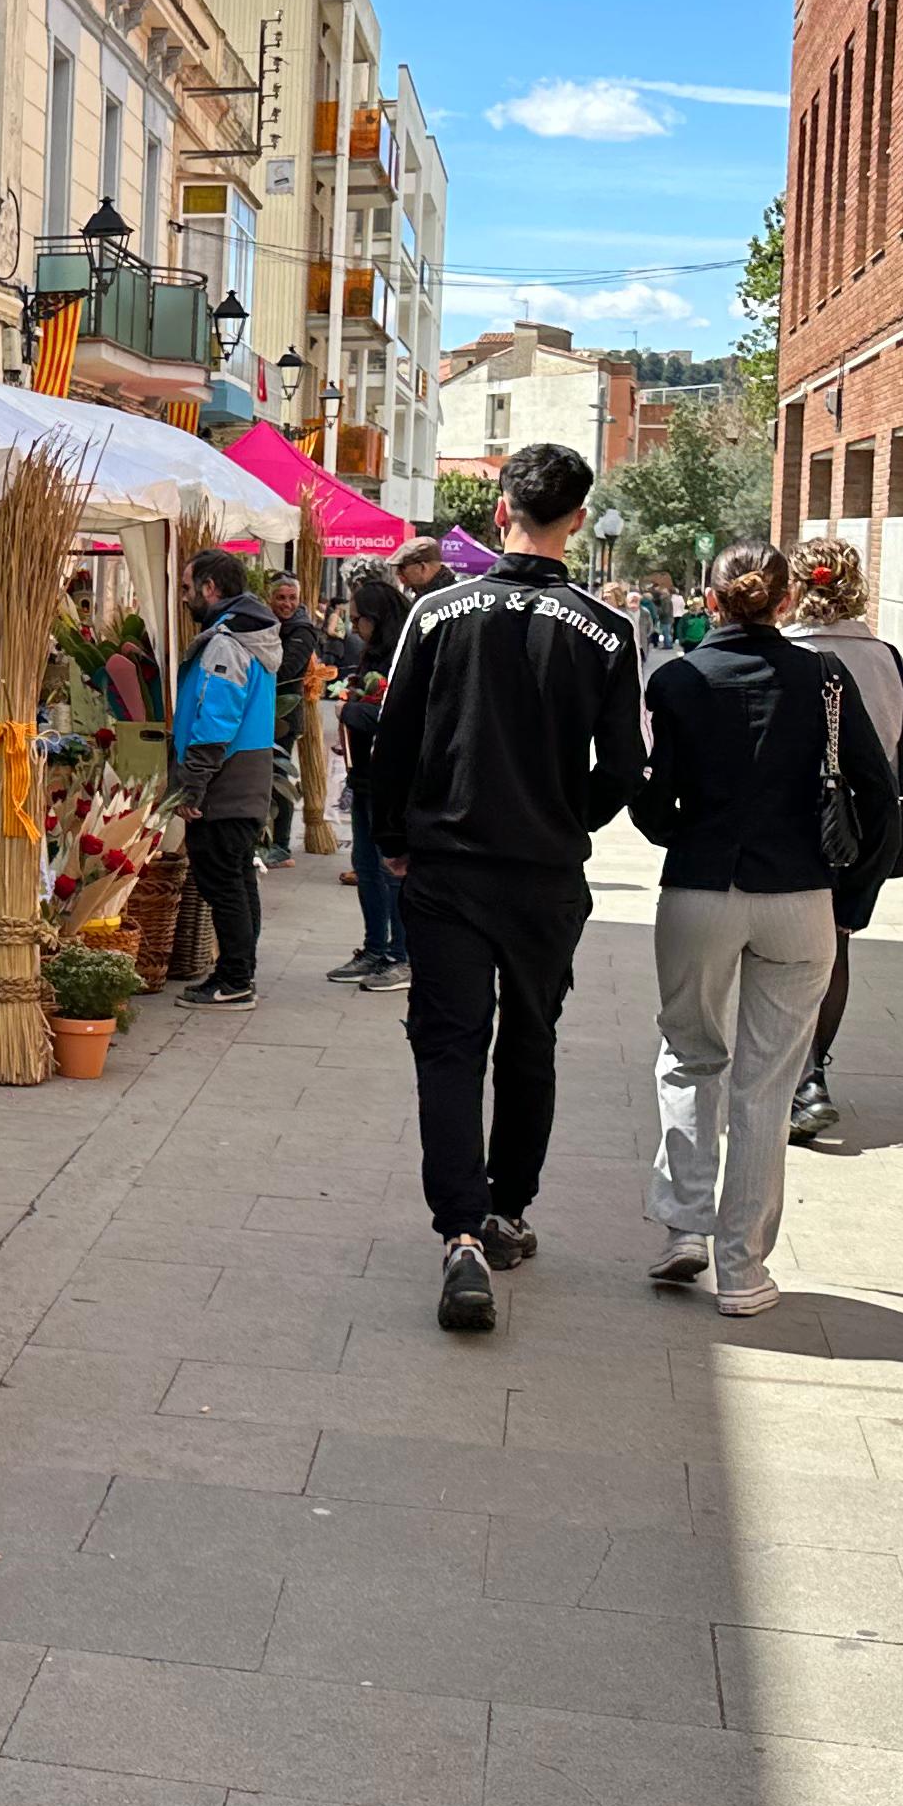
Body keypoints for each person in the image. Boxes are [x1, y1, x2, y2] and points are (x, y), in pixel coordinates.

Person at [362, 442, 645, 1336]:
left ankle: (460, 1234)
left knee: (448, 1046)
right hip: (544, 875)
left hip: (448, 865)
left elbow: (390, 738)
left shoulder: (438, 611)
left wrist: (396, 841)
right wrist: (570, 820)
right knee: (529, 1040)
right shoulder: (609, 630)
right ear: (578, 520)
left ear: (499, 512)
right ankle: (506, 1209)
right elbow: (626, 768)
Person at [633, 543, 897, 1317]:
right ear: (785, 603)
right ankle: (742, 1271)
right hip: (799, 892)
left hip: (700, 886)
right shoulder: (825, 679)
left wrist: (678, 830)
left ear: (709, 601)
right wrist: (848, 896)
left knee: (688, 1056)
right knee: (766, 1085)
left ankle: (683, 1227)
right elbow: (878, 798)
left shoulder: (678, 679)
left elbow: (652, 803)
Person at [781, 533, 903, 1142]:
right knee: (834, 948)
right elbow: (894, 750)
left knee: (775, 952)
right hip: (861, 828)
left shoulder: (781, 653)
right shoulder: (887, 657)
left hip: (787, 822)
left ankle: (787, 1073)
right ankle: (814, 1072)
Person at [167, 547, 280, 1007]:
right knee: (237, 880)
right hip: (246, 781)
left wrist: (194, 784)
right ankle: (240, 972)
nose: (185, 597)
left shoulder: (227, 642)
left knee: (223, 884)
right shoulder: (250, 637)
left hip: (226, 784)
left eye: (189, 588)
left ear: (211, 589)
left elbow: (216, 718)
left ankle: (235, 979)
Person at [326, 560, 412, 993]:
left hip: (393, 779)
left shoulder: (404, 655)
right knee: (365, 863)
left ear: (376, 619)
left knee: (390, 866)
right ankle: (376, 948)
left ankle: (401, 955)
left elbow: (398, 718)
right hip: (365, 777)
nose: (352, 625)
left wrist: (352, 710)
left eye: (357, 618)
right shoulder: (372, 655)